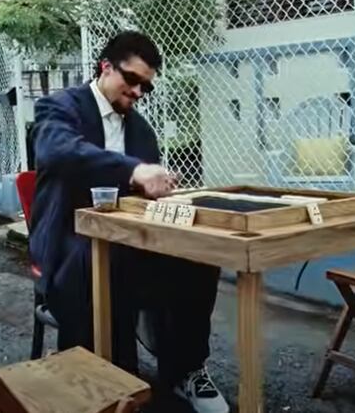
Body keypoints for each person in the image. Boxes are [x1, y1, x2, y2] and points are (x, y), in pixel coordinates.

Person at [29, 31, 229, 413]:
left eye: (146, 87)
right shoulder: (59, 107)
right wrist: (134, 170)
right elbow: (57, 152)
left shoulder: (140, 130)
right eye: (132, 79)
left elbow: (141, 194)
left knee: (198, 256)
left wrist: (157, 188)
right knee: (95, 261)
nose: (137, 92)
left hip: (127, 238)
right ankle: (102, 380)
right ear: (106, 67)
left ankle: (186, 369)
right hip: (68, 237)